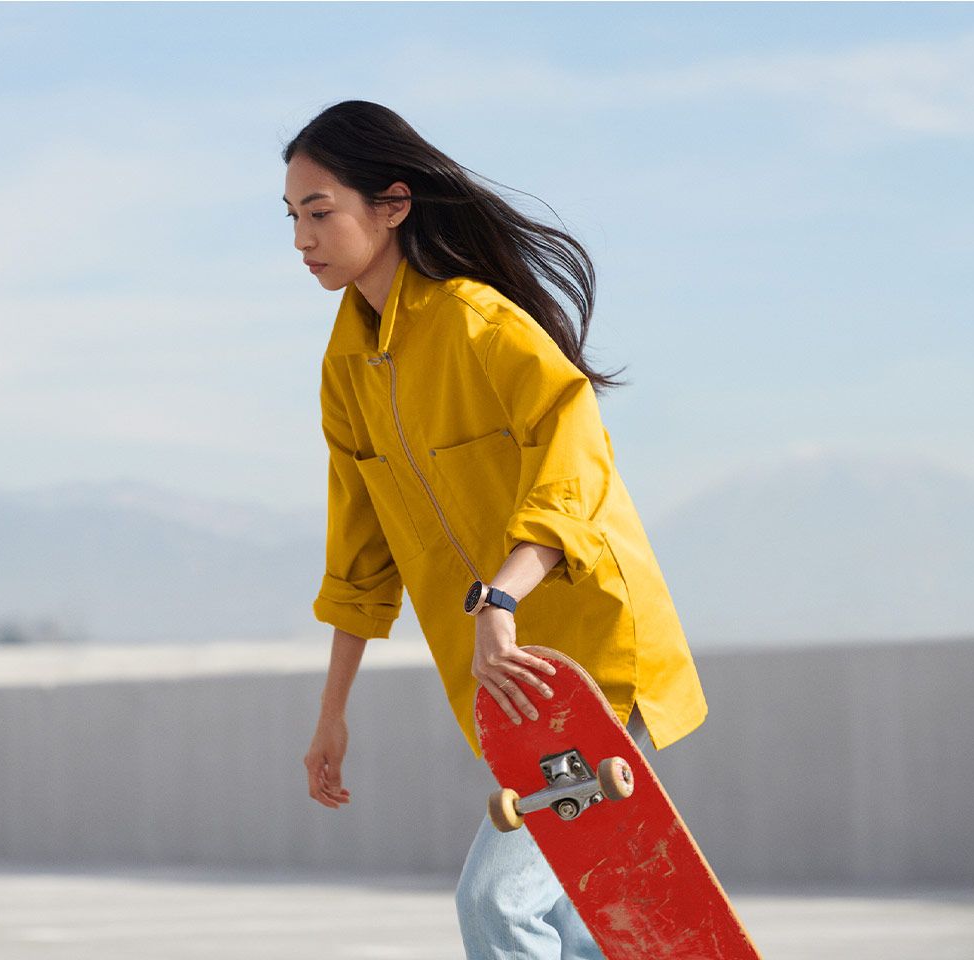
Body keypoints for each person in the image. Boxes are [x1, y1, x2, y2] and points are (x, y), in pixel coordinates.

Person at [288, 100, 708, 960]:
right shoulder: (345, 371)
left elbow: (573, 462)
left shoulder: (480, 321)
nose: (302, 237)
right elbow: (359, 561)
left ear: (393, 204)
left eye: (321, 211)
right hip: (513, 693)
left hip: (594, 669)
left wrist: (499, 598)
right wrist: (332, 715)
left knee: (497, 903)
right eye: (293, 217)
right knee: (575, 923)